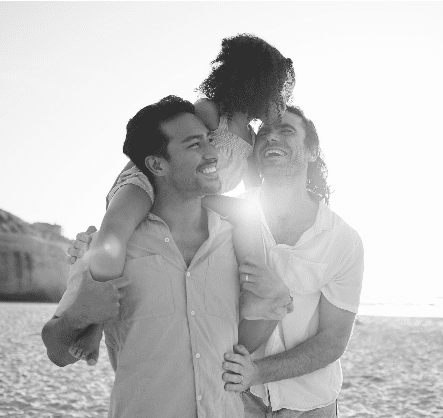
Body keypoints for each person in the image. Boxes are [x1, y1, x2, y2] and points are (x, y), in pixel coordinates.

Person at [41, 96, 290, 417]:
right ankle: (97, 324)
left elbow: (264, 315)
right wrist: (83, 315)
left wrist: (237, 352)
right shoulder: (107, 246)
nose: (211, 151)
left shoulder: (235, 240)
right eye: (194, 144)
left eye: (207, 142)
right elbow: (59, 351)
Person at [68, 34, 296, 364]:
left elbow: (254, 190)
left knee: (248, 214)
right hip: (153, 181)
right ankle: (94, 321)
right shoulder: (210, 112)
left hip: (199, 198)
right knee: (116, 233)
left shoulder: (251, 136)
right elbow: (168, 143)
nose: (280, 98)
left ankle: (254, 297)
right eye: (275, 89)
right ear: (256, 85)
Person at [219, 106, 364, 417]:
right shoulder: (224, 217)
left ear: (312, 151)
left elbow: (333, 340)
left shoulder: (342, 240)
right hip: (235, 399)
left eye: (285, 130)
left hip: (310, 403)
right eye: (264, 134)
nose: (272, 137)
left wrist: (257, 372)